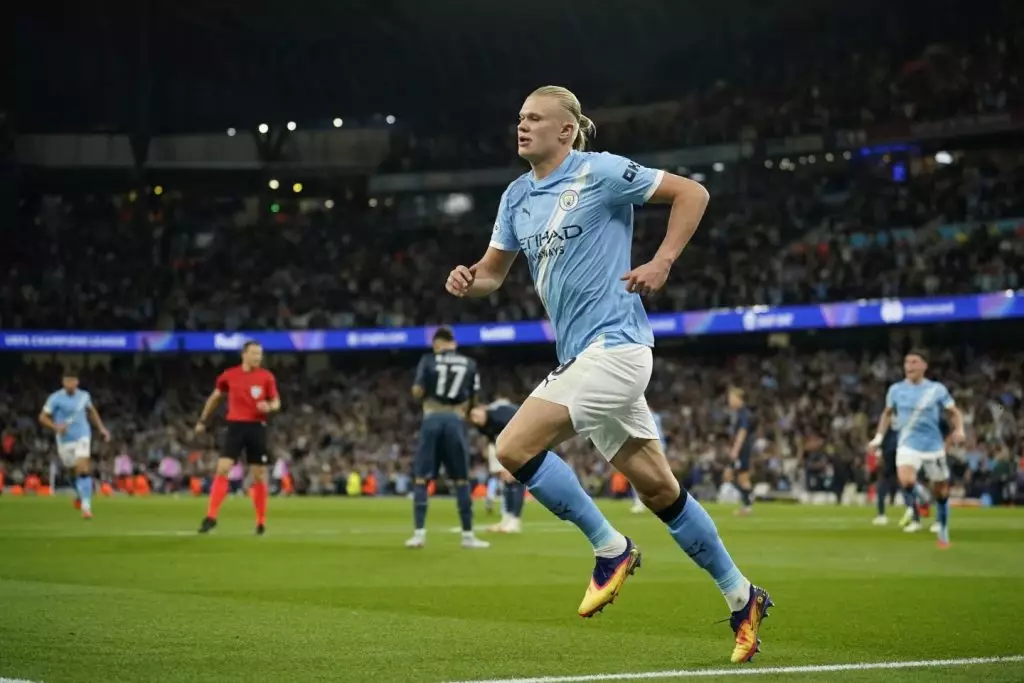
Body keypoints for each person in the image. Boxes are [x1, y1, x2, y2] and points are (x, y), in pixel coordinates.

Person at [444, 85, 771, 663]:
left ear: (566, 130)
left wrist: (662, 261)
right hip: (582, 358)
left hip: (616, 349)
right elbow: (494, 272)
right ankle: (742, 596)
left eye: (535, 118)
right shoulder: (516, 196)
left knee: (512, 447)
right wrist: (470, 280)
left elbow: (692, 192)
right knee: (660, 491)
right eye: (520, 117)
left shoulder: (600, 172)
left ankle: (610, 547)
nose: (522, 125)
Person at [869, 349, 964, 548]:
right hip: (907, 443)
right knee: (906, 479)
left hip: (933, 446)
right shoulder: (895, 390)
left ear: (924, 366)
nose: (909, 366)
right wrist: (878, 437)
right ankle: (923, 500)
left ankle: (942, 526)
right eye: (907, 362)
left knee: (941, 490)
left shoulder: (936, 390)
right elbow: (887, 414)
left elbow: (954, 412)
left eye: (914, 362)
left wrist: (959, 430)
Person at [407, 327, 489, 549]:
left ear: (437, 343)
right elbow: (474, 398)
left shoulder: (428, 360)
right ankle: (468, 536)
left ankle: (419, 535)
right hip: (455, 420)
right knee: (461, 479)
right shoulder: (469, 363)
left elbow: (417, 390)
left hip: (432, 417)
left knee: (422, 478)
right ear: (453, 343)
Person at [194, 341, 280, 535]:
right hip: (235, 427)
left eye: (260, 354)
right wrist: (203, 420)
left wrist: (270, 407)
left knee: (259, 475)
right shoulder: (230, 375)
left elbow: (276, 401)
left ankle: (260, 522)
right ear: (244, 355)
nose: (258, 357)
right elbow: (215, 397)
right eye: (254, 353)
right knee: (223, 468)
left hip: (257, 427)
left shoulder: (266, 377)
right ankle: (211, 517)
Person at [38, 369, 111, 519]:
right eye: (67, 381)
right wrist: (55, 427)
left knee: (83, 468)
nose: (70, 384)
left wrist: (101, 429)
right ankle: (79, 494)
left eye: (72, 381)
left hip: (82, 436)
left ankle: (86, 507)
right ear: (63, 382)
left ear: (77, 382)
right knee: (72, 471)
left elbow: (91, 411)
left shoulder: (84, 396)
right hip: (65, 440)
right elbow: (42, 417)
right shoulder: (55, 398)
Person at [469, 399, 525, 533]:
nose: (475, 420)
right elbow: (494, 441)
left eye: (476, 415)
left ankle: (515, 521)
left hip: (525, 438)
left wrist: (511, 464)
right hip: (509, 445)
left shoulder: (499, 416)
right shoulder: (482, 426)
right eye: (472, 418)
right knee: (507, 481)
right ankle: (506, 519)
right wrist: (502, 465)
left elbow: (516, 436)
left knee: (517, 479)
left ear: (482, 408)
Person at [726, 388, 757, 516]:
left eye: (732, 398)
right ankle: (748, 498)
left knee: (740, 477)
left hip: (742, 449)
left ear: (739, 399)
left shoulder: (744, 413)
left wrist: (735, 449)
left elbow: (742, 432)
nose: (730, 401)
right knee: (738, 477)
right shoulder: (738, 413)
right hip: (742, 448)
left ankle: (748, 503)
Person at [630, 410, 664, 514]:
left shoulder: (650, 417)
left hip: (649, 449)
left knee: (646, 477)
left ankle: (648, 502)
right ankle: (640, 502)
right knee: (638, 476)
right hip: (645, 449)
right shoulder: (647, 416)